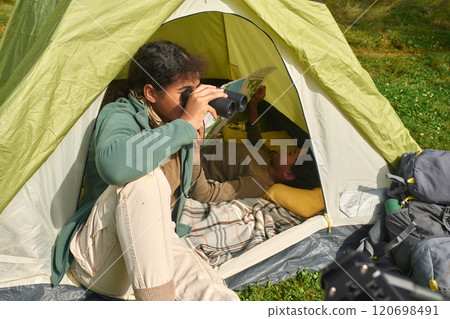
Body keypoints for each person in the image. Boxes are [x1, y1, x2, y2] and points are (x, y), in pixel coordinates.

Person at [51, 41, 240, 301]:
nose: (192, 100)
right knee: (145, 182)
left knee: (218, 298)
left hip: (153, 249)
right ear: (151, 93)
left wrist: (193, 145)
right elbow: (115, 167)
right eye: (185, 92)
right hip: (100, 261)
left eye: (195, 91)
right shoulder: (119, 113)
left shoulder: (176, 122)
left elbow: (197, 189)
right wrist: (184, 126)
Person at [191, 85, 320, 203]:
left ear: (288, 175)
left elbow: (205, 195)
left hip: (188, 160)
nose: (286, 150)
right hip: (203, 144)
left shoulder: (258, 182)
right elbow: (255, 139)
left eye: (290, 154)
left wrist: (194, 149)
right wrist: (254, 105)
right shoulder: (269, 159)